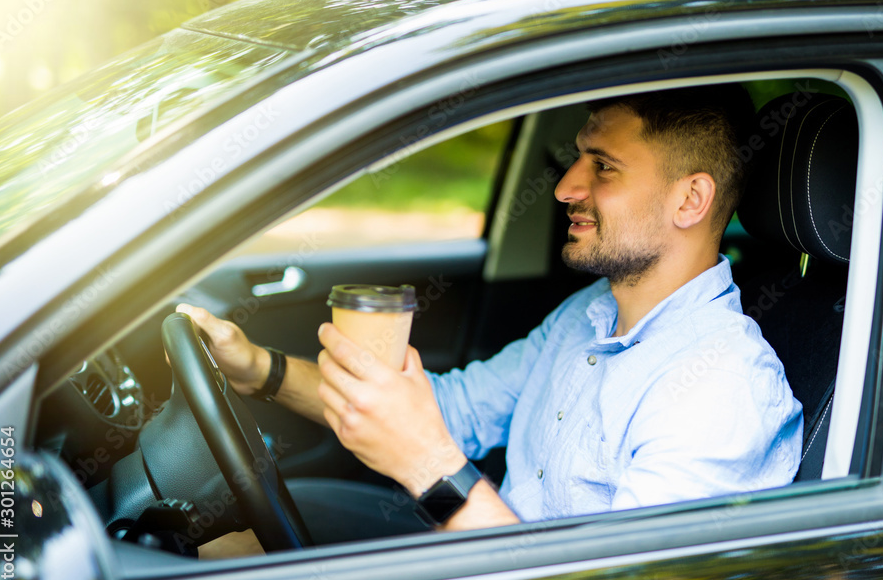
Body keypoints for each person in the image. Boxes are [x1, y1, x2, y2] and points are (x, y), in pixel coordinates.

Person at [179, 84, 803, 546]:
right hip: (482, 566)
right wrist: (258, 370)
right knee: (232, 540)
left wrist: (428, 467)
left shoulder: (724, 388)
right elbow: (453, 411)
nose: (565, 188)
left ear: (690, 199)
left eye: (603, 167)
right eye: (578, 158)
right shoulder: (586, 314)